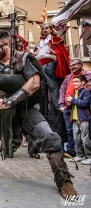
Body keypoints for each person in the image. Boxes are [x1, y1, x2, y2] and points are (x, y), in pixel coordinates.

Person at [0, 30, 77, 198]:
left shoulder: (24, 58)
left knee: (49, 137)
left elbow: (34, 83)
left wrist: (10, 102)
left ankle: (64, 182)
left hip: (24, 107)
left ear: (7, 44)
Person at [35, 23, 70, 152]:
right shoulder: (40, 43)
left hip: (50, 68)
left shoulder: (55, 41)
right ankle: (43, 139)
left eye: (46, 28)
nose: (44, 30)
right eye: (42, 29)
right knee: (42, 100)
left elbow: (61, 55)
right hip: (41, 68)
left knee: (55, 101)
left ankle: (61, 139)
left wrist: (54, 56)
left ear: (50, 30)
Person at [59, 58, 91, 158]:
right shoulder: (68, 77)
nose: (72, 67)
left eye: (75, 65)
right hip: (69, 109)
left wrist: (72, 100)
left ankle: (87, 155)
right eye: (71, 65)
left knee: (84, 135)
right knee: (71, 132)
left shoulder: (88, 75)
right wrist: (62, 105)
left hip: (83, 112)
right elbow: (62, 90)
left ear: (81, 65)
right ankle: (73, 152)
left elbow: (87, 98)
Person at [65, 75, 91, 165]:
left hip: (84, 119)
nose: (74, 83)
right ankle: (80, 155)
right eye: (73, 82)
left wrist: (72, 100)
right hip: (75, 119)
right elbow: (73, 104)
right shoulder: (74, 92)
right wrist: (69, 104)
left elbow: (85, 103)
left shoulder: (86, 91)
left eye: (76, 81)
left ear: (83, 82)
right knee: (76, 138)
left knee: (85, 138)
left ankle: (89, 156)